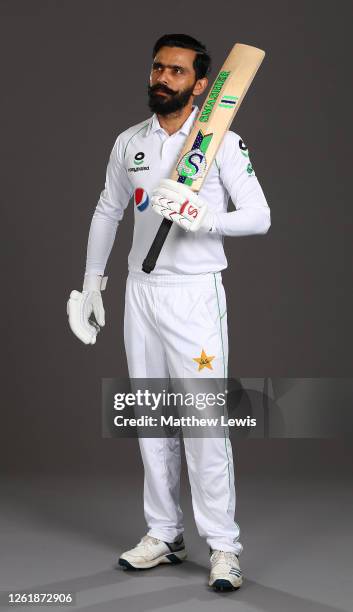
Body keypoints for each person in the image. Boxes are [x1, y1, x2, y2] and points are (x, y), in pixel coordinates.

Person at [67, 33, 271, 592]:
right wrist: (92, 283)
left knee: (205, 424)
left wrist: (207, 217)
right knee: (151, 418)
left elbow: (260, 217)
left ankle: (224, 546)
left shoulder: (222, 143)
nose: (163, 78)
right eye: (158, 68)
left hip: (194, 294)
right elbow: (107, 210)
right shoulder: (129, 142)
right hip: (141, 291)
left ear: (202, 85)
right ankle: (164, 533)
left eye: (177, 72)